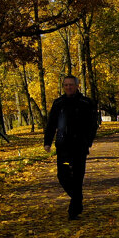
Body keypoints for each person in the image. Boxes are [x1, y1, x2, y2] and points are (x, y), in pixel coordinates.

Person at [44, 75, 98, 219]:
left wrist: (88, 141)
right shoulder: (58, 103)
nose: (68, 87)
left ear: (76, 86)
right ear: (63, 87)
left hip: (80, 146)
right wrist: (47, 142)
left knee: (78, 176)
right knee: (63, 175)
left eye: (71, 85)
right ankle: (77, 198)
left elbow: (93, 124)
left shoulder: (86, 103)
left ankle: (74, 210)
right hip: (63, 146)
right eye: (66, 85)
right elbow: (51, 124)